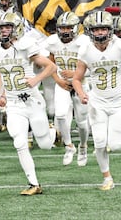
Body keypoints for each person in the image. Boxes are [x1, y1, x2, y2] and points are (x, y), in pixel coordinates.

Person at [71, 11, 121, 191]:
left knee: (116, 145)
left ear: (110, 29)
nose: (100, 33)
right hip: (97, 102)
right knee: (98, 141)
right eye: (96, 30)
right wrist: (81, 93)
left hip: (119, 100)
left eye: (103, 29)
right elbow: (76, 78)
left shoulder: (119, 46)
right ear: (90, 31)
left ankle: (107, 164)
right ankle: (107, 177)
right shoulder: (85, 50)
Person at [0, 12, 56, 195]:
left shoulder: (25, 46)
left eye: (7, 27)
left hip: (32, 101)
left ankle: (53, 130)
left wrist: (36, 79)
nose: (3, 31)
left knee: (45, 144)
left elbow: (51, 66)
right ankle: (34, 183)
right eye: (1, 27)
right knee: (19, 142)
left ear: (16, 28)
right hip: (14, 104)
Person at [45, 12, 91, 167]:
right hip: (62, 84)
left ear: (76, 28)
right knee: (60, 115)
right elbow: (50, 65)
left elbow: (93, 66)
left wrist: (77, 74)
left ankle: (83, 146)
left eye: (68, 27)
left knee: (82, 122)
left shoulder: (85, 42)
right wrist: (58, 80)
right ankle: (69, 146)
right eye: (62, 27)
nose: (65, 31)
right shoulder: (53, 42)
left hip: (82, 84)